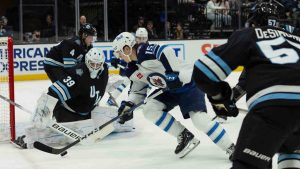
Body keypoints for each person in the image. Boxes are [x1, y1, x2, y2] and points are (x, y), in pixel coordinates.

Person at [192, 2, 300, 169]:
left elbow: (202, 72)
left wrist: (221, 98)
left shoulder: (250, 34)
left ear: (254, 21)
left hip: (273, 110)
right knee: (290, 154)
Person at [112, 32, 235, 158]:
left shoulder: (143, 50)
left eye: (119, 52)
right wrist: (129, 105)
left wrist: (172, 73)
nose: (120, 56)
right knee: (150, 109)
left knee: (199, 120)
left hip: (188, 84)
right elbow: (138, 91)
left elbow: (166, 50)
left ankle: (231, 148)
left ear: (126, 48)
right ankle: (184, 135)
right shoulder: (132, 69)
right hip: (169, 89)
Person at [13, 48, 133, 149]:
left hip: (88, 111)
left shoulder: (104, 70)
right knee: (84, 130)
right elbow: (53, 93)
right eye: (92, 64)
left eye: (98, 64)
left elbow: (96, 86)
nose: (95, 67)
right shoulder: (77, 74)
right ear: (87, 62)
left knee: (122, 118)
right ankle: (29, 139)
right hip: (67, 112)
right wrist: (41, 114)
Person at [107, 29, 149, 106]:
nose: (141, 40)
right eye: (139, 38)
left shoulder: (147, 49)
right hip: (133, 68)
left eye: (144, 38)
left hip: (138, 71)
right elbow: (122, 52)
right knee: (128, 80)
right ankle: (114, 97)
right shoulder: (132, 45)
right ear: (135, 38)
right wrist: (116, 59)